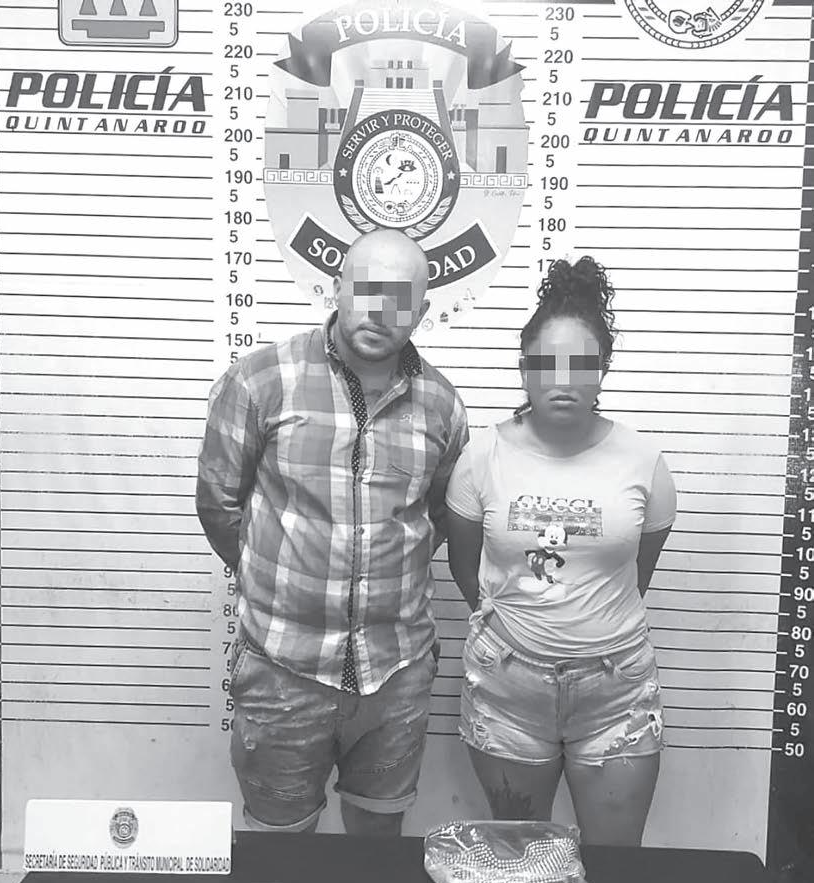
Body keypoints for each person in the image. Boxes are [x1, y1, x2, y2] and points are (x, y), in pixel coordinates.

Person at [196, 228, 469, 836]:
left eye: (400, 298)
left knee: (374, 853)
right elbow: (219, 505)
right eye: (367, 289)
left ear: (423, 310)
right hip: (282, 670)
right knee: (281, 854)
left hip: (395, 674)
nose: (380, 311)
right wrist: (283, 582)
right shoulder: (260, 381)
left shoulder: (442, 406)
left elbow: (437, 519)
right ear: (337, 288)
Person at [445, 256, 676, 846]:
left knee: (618, 863)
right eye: (545, 364)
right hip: (508, 688)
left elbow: (636, 574)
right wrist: (518, 626)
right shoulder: (481, 458)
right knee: (522, 856)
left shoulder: (644, 463)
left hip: (616, 691)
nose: (563, 379)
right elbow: (464, 566)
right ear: (524, 371)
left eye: (582, 364)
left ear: (603, 371)